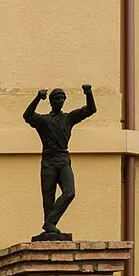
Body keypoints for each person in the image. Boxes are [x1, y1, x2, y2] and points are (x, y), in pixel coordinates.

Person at [24, 85, 96, 238]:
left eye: (62, 98)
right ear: (51, 101)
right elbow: (27, 116)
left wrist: (88, 93)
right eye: (56, 98)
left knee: (69, 192)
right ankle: (50, 226)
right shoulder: (44, 120)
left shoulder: (68, 118)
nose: (60, 101)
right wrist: (38, 97)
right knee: (48, 197)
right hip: (48, 160)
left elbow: (90, 109)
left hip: (63, 159)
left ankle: (50, 220)